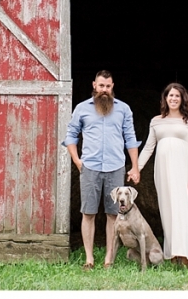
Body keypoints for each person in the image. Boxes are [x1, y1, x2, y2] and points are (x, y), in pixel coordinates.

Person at [62, 70, 141, 270]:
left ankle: (108, 258)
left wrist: (135, 166)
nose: (104, 90)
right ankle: (89, 259)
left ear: (112, 86)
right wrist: (77, 161)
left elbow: (130, 138)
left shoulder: (123, 109)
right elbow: (71, 135)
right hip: (90, 167)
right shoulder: (82, 109)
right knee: (88, 212)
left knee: (113, 214)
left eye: (108, 86)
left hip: (115, 166)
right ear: (94, 86)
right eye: (101, 86)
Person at [137, 82, 188, 268]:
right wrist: (137, 168)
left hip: (183, 171)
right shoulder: (156, 121)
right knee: (168, 210)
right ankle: (174, 253)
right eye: (170, 95)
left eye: (177, 96)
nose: (173, 99)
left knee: (183, 210)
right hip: (163, 172)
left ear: (182, 99)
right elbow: (148, 148)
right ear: (165, 98)